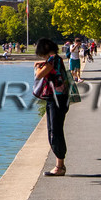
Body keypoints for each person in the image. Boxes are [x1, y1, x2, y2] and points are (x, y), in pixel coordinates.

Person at [34, 38, 71, 177]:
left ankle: (60, 166)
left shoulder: (52, 60)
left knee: (55, 131)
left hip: (56, 99)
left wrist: (38, 67)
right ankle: (59, 164)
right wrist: (42, 64)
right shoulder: (56, 59)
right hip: (58, 98)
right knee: (54, 130)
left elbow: (39, 75)